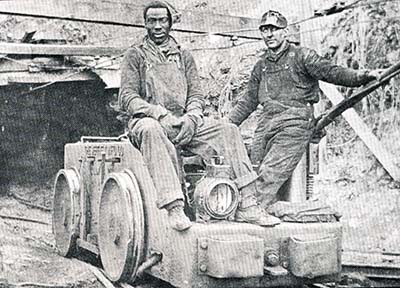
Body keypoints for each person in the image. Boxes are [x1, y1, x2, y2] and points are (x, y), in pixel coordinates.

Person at [119, 1, 280, 231]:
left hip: (183, 122)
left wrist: (192, 116)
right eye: (152, 21)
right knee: (150, 129)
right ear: (145, 24)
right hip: (148, 121)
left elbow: (196, 95)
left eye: (162, 20)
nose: (157, 26)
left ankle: (248, 203)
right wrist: (158, 113)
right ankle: (175, 206)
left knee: (228, 131)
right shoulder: (135, 55)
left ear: (170, 23)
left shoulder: (184, 55)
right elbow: (127, 97)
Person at [227, 10, 381, 209]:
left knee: (269, 174)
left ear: (286, 32)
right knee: (250, 172)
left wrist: (362, 76)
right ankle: (263, 212)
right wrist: (225, 125)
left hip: (295, 122)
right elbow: (248, 101)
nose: (269, 34)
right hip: (266, 123)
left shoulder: (302, 56)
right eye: (265, 30)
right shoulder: (261, 66)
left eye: (274, 29)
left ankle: (251, 212)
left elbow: (332, 72)